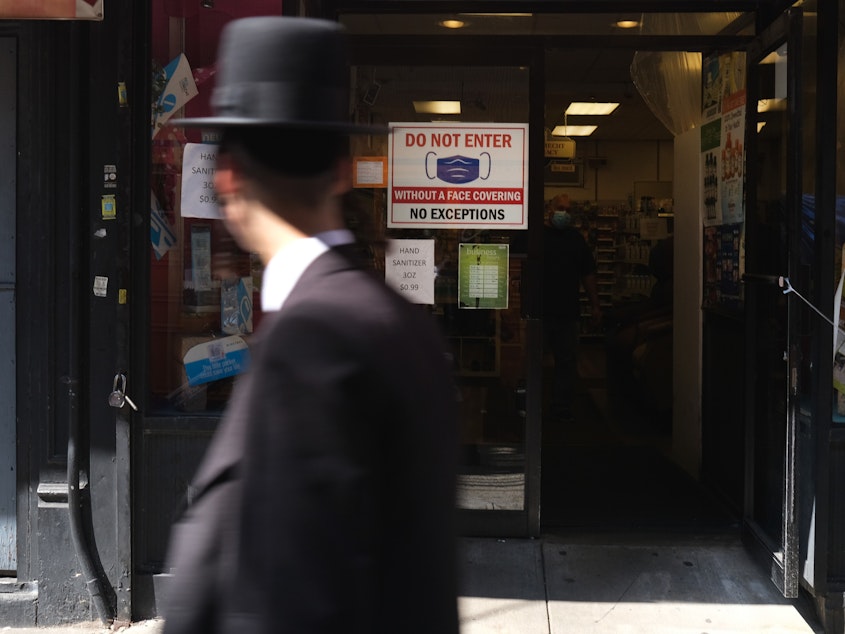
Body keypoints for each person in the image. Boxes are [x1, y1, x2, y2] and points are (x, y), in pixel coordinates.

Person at [162, 17, 459, 634]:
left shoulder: (310, 339)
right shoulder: (401, 323)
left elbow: (286, 595)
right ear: (344, 171)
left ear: (227, 181)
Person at [542, 194, 602, 423]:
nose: (563, 213)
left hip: (568, 313)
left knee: (566, 363)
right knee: (531, 363)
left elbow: (588, 274)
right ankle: (529, 406)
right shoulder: (536, 237)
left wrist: (595, 305)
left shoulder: (576, 240)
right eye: (560, 208)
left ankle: (560, 408)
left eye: (567, 209)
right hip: (538, 313)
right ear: (549, 209)